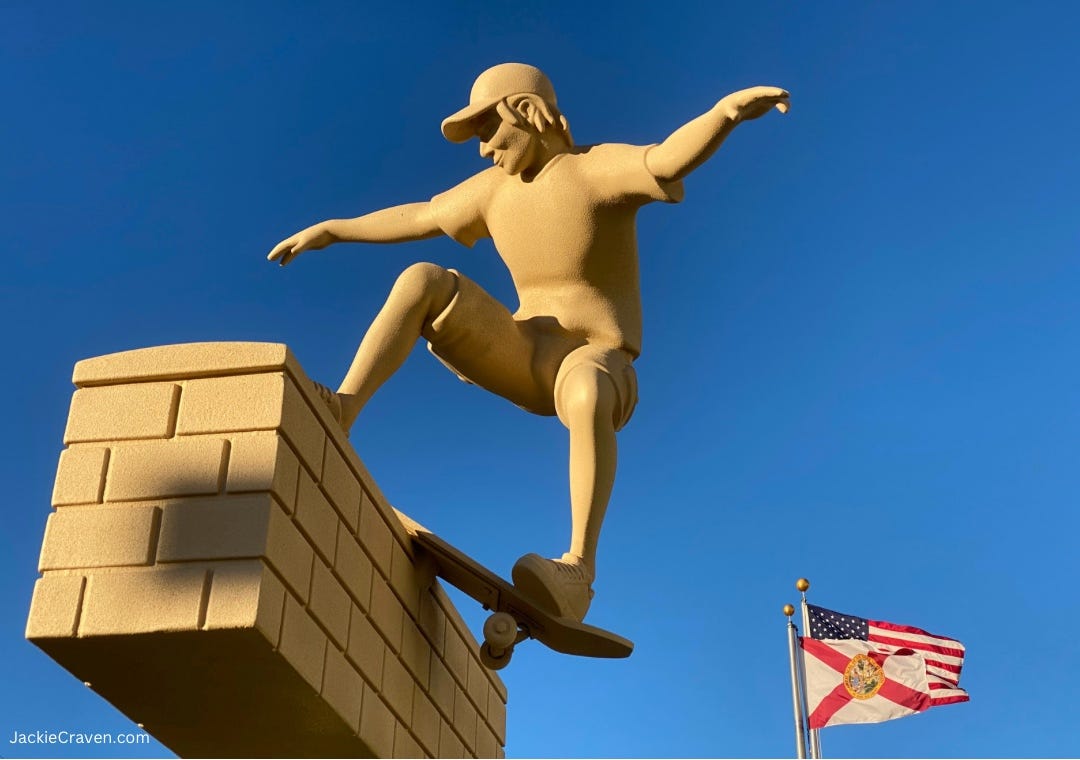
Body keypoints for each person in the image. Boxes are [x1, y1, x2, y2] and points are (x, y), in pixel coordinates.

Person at [268, 63, 788, 622]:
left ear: (527, 112)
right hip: (519, 352)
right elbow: (416, 215)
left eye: (489, 130)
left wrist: (726, 113)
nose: (484, 148)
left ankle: (578, 571)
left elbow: (665, 158)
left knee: (588, 387)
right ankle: (345, 408)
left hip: (592, 361)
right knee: (422, 278)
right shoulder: (492, 192)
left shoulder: (594, 169)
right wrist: (334, 228)